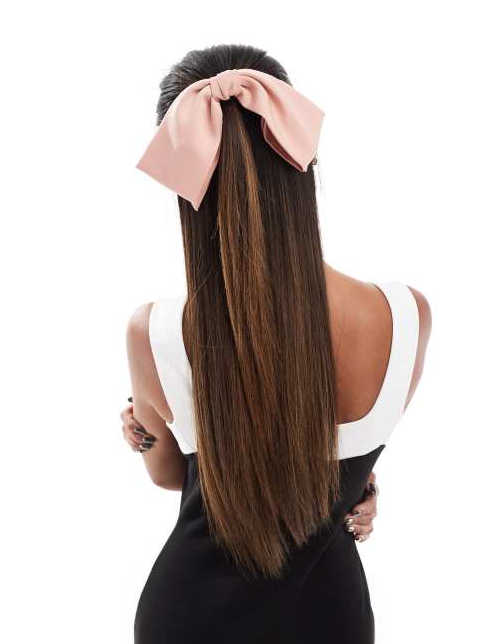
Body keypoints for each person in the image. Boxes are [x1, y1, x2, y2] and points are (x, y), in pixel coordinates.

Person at [121, 44, 432, 644]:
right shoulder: (406, 314)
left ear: (185, 184)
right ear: (301, 154)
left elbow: (169, 476)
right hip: (332, 616)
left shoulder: (153, 331)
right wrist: (358, 485)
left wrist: (144, 422)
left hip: (187, 620)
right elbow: (329, 467)